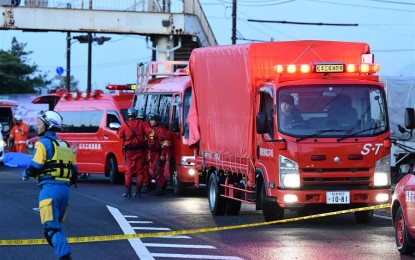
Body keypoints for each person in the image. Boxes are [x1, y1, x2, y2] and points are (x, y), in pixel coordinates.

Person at [22, 110, 78, 260]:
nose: (37, 126)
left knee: (51, 228)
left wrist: (26, 173)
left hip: (49, 190)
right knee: (53, 227)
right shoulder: (65, 145)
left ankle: (65, 256)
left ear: (48, 126)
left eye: (40, 124)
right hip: (65, 191)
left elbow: (36, 165)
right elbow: (75, 172)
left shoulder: (42, 143)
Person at [117, 107, 154, 198]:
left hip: (129, 152)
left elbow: (119, 135)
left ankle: (128, 192)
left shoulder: (125, 125)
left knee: (129, 172)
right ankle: (138, 192)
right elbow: (151, 133)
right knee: (139, 172)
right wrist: (150, 141)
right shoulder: (141, 124)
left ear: (129, 115)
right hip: (140, 151)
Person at [148, 113, 172, 196]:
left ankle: (160, 188)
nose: (151, 121)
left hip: (159, 154)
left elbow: (165, 144)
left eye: (152, 120)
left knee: (158, 171)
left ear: (157, 121)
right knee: (155, 170)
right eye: (150, 120)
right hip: (154, 154)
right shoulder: (153, 130)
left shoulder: (160, 130)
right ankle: (159, 186)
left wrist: (163, 154)